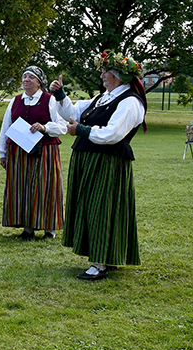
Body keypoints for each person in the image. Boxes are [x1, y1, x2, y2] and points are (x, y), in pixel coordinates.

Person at [50, 50, 147, 280]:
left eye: (106, 72)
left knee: (101, 209)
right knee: (89, 207)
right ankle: (103, 256)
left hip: (107, 162)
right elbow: (72, 112)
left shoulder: (130, 102)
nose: (102, 75)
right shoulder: (102, 97)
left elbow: (112, 134)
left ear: (119, 76)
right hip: (89, 158)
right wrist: (61, 94)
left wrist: (81, 130)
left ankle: (100, 264)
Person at [0, 66, 67, 240]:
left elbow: (63, 125)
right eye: (24, 76)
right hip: (18, 152)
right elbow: (6, 127)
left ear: (39, 82)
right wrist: (2, 153)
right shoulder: (15, 101)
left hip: (45, 151)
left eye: (31, 77)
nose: (26, 79)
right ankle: (28, 228)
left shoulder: (49, 100)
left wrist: (45, 127)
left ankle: (50, 230)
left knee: (46, 187)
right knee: (23, 188)